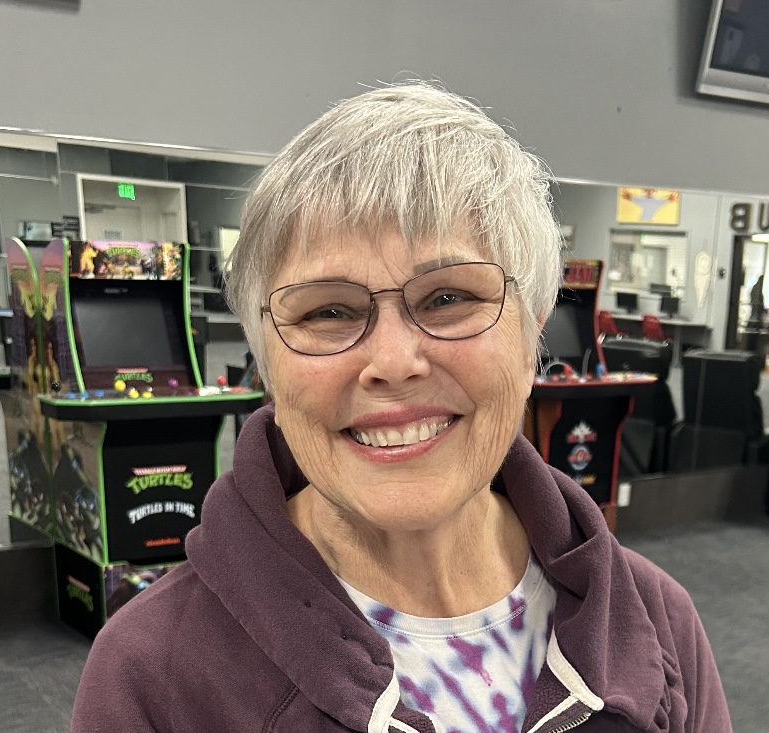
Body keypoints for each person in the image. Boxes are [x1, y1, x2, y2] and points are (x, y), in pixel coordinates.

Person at [72, 83, 731, 733]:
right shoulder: (152, 677)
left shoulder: (658, 625)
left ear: (532, 333)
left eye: (448, 298)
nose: (392, 360)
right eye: (328, 311)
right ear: (266, 359)